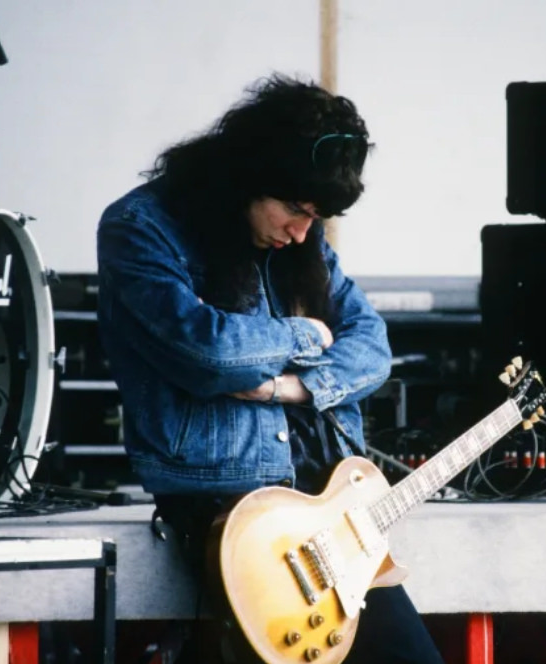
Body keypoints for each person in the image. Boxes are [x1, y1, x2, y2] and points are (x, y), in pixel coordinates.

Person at [95, 74, 445, 664]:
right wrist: (307, 334)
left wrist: (293, 387)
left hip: (331, 503)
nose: (302, 231)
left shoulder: (301, 239)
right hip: (226, 503)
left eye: (317, 217)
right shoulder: (141, 229)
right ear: (243, 178)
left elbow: (373, 346)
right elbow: (206, 352)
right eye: (293, 210)